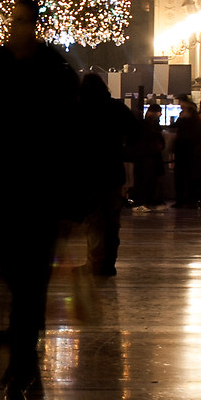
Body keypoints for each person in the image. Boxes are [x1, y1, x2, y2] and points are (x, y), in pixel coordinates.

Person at [0, 0, 79, 400]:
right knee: (14, 275)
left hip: (42, 193)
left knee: (32, 283)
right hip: (4, 191)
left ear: (36, 25)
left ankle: (23, 361)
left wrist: (70, 202)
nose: (19, 28)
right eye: (14, 20)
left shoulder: (57, 73)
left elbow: (71, 138)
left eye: (26, 21)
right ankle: (23, 356)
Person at [78, 70, 128, 277]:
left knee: (93, 219)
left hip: (87, 172)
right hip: (112, 170)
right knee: (111, 218)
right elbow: (135, 131)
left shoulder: (78, 108)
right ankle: (109, 262)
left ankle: (95, 260)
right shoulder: (116, 107)